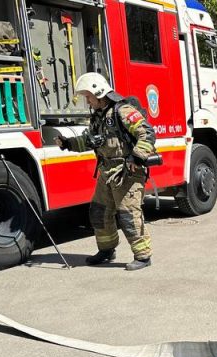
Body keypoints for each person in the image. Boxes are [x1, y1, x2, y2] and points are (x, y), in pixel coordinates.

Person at [56, 72, 157, 271]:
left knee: (129, 214)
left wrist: (137, 156)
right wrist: (67, 144)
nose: (88, 101)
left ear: (99, 93)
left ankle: (143, 256)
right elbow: (90, 141)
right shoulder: (98, 117)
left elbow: (147, 133)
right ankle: (106, 250)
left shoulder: (123, 111)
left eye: (89, 97)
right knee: (99, 212)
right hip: (106, 172)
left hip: (127, 171)